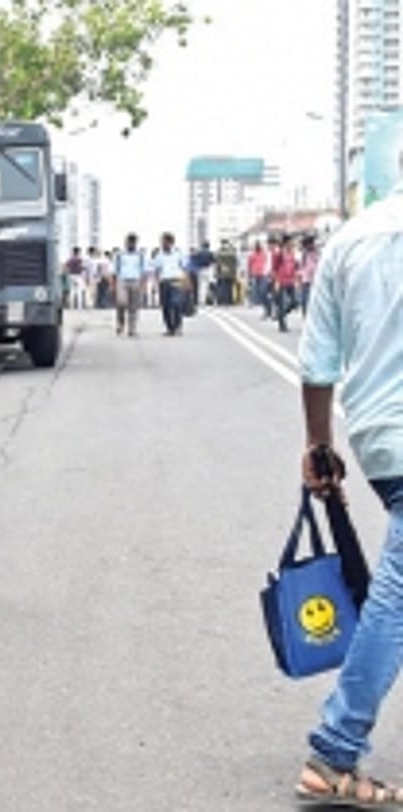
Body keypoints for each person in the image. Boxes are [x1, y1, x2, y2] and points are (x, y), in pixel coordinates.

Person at [292, 182, 403, 808]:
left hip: (379, 439)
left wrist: (318, 444)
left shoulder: (349, 240)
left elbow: (317, 363)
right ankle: (334, 750)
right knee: (398, 588)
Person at [151, 232, 187, 336]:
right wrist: (155, 284)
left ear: (171, 242)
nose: (163, 244)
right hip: (164, 282)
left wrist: (186, 282)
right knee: (165, 306)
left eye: (165, 242)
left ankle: (178, 326)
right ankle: (170, 328)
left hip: (177, 281)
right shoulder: (159, 255)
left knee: (176, 304)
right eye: (162, 242)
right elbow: (156, 270)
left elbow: (184, 268)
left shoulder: (179, 253)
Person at [113, 233, 145, 337]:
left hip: (135, 280)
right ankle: (120, 323)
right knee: (121, 302)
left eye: (133, 242)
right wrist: (113, 283)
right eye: (129, 242)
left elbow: (143, 270)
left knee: (133, 306)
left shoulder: (140, 255)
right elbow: (115, 270)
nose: (131, 244)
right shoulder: (119, 255)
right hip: (122, 280)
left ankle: (132, 329)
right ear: (125, 242)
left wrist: (143, 283)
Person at [273, 234, 300, 333]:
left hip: (291, 281)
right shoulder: (279, 254)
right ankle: (282, 324)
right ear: (286, 243)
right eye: (290, 242)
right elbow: (275, 268)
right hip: (281, 281)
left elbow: (295, 266)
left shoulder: (292, 253)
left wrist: (296, 278)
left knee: (294, 302)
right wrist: (276, 281)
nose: (292, 244)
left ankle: (281, 314)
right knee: (281, 303)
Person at [298, 234, 320, 317]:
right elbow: (300, 268)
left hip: (315, 281)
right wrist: (299, 280)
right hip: (306, 281)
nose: (312, 245)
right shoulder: (303, 255)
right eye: (309, 243)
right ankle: (306, 317)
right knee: (305, 301)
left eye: (312, 243)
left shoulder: (317, 253)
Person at [248, 240, 271, 316]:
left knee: (263, 292)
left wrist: (268, 273)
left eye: (259, 245)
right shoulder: (252, 255)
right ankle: (266, 309)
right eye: (256, 245)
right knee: (257, 292)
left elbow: (268, 264)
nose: (258, 247)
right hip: (255, 275)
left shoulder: (265, 254)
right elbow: (249, 266)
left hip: (264, 275)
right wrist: (250, 275)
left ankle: (268, 308)